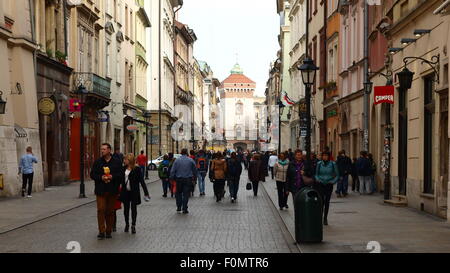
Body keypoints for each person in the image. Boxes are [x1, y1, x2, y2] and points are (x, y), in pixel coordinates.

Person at [90, 143, 123, 239]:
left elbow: (120, 175)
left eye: (104, 149)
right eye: (101, 149)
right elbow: (92, 174)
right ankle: (101, 231)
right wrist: (101, 177)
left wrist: (112, 177)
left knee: (110, 211)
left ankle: (108, 230)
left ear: (109, 150)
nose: (102, 151)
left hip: (112, 190)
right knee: (101, 210)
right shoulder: (98, 162)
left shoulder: (116, 162)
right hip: (100, 190)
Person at [119, 153, 150, 234]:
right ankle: (127, 224)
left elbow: (142, 182)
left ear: (129, 160)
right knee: (126, 209)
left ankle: (133, 225)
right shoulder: (123, 168)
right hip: (125, 192)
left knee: (134, 209)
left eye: (125, 159)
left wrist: (146, 193)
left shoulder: (137, 169)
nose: (124, 161)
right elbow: (119, 180)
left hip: (134, 192)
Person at [315, 151, 340, 226]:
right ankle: (320, 217)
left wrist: (333, 181)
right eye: (324, 155)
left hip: (329, 184)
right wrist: (318, 179)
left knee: (327, 201)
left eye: (326, 156)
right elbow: (316, 174)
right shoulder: (319, 164)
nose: (325, 157)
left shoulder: (333, 164)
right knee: (321, 201)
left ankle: (325, 218)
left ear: (329, 156)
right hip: (321, 184)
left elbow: (337, 175)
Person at [169, 149, 197, 214]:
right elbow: (195, 170)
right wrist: (195, 178)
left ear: (181, 153)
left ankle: (179, 207)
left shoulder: (177, 160)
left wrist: (171, 177)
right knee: (186, 194)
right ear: (187, 153)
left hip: (179, 179)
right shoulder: (190, 160)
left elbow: (173, 170)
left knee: (178, 193)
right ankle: (184, 208)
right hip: (188, 179)